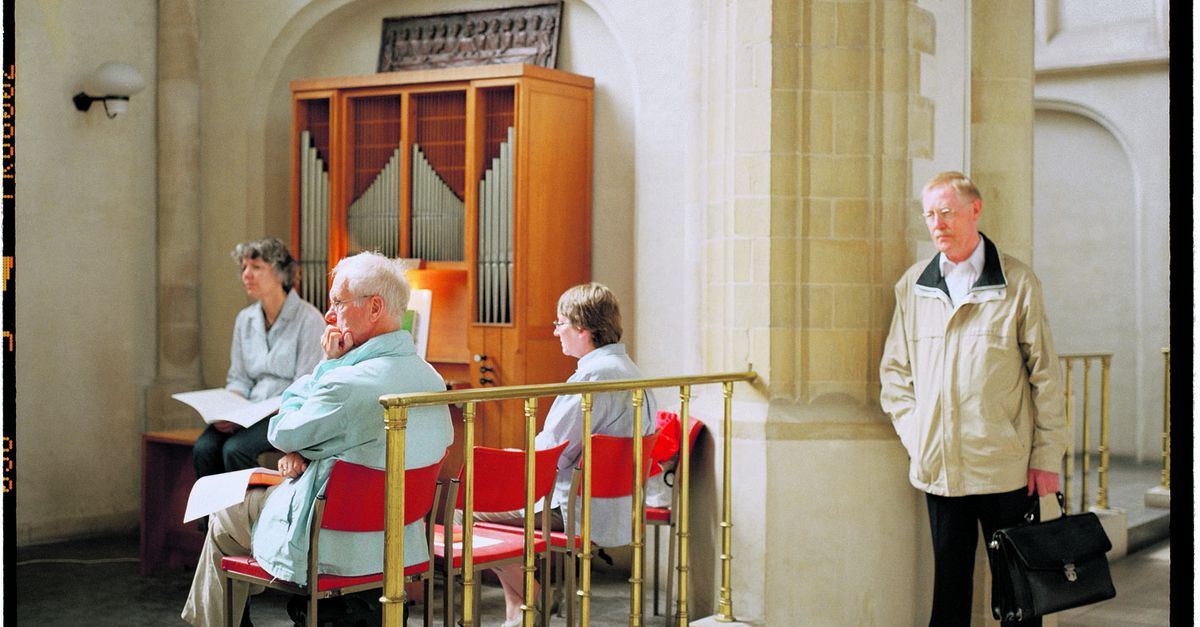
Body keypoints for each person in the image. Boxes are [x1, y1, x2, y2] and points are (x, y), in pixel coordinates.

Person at [181, 251, 453, 627]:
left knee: (223, 517)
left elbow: (281, 431)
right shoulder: (431, 380)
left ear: (374, 307)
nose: (329, 316)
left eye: (338, 303)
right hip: (397, 541)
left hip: (332, 538)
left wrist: (327, 365)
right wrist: (310, 452)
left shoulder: (345, 381)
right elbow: (357, 443)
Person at [879, 171, 1067, 626]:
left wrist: (1046, 455)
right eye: (929, 214)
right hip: (940, 470)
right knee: (948, 593)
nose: (937, 223)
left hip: (1007, 467)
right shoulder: (913, 287)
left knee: (1021, 595)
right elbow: (894, 374)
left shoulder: (1018, 283)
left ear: (974, 210)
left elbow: (1046, 375)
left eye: (946, 212)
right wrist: (919, 432)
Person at [480, 282, 656, 627]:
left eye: (560, 323)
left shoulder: (592, 376)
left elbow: (552, 452)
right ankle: (519, 611)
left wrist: (517, 457)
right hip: (613, 502)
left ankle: (530, 600)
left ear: (583, 328)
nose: (557, 332)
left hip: (572, 506)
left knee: (467, 515)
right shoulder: (630, 370)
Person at [192, 238, 325, 480]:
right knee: (204, 448)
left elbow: (305, 386)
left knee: (235, 450)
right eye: (243, 268)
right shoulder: (245, 319)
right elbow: (239, 378)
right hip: (247, 410)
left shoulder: (309, 319)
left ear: (280, 273)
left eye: (256, 267)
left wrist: (258, 413)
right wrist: (228, 411)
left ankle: (247, 517)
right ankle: (212, 519)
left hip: (284, 412)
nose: (246, 274)